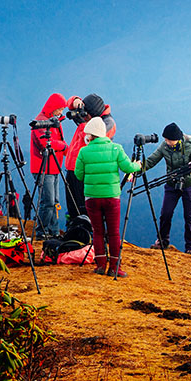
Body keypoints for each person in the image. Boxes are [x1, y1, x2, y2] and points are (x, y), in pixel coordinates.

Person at [74, 117, 141, 277]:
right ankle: (115, 268)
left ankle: (100, 265)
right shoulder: (116, 149)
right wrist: (138, 165)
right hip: (111, 197)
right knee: (113, 233)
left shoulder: (84, 151)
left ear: (90, 135)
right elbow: (128, 167)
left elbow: (78, 175)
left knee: (97, 231)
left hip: (91, 197)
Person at [140, 122, 191, 255]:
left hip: (189, 184)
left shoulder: (190, 145)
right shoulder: (164, 146)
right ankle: (162, 241)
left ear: (177, 139)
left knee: (190, 216)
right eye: (166, 139)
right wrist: (138, 169)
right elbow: (152, 160)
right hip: (171, 183)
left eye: (169, 140)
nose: (167, 142)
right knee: (166, 213)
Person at [63, 93, 116, 225]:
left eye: (86, 114)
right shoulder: (92, 116)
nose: (84, 116)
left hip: (86, 171)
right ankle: (74, 231)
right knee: (72, 206)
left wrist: (82, 124)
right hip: (72, 167)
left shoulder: (107, 124)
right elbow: (69, 104)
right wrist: (75, 101)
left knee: (84, 207)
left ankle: (88, 234)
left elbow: (90, 140)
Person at [29, 93, 74, 239]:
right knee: (47, 201)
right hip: (42, 167)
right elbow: (45, 143)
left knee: (54, 202)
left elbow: (58, 142)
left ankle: (53, 232)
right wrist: (63, 146)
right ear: (53, 107)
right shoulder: (40, 122)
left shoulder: (55, 122)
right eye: (59, 109)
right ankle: (42, 232)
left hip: (54, 166)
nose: (61, 112)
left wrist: (70, 152)